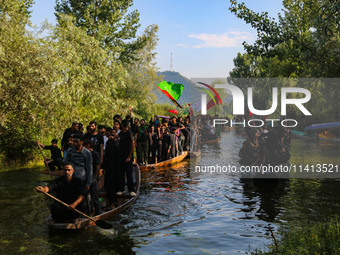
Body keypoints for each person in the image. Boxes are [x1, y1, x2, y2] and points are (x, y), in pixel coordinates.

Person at [103, 129, 121, 208]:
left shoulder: (118, 143)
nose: (111, 135)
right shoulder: (107, 143)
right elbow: (106, 155)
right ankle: (110, 200)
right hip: (108, 166)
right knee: (108, 184)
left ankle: (114, 201)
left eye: (113, 133)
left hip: (116, 166)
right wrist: (104, 166)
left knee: (115, 184)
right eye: (110, 133)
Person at [83, 139, 102, 215]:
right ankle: (87, 213)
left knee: (95, 198)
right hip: (85, 178)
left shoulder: (95, 154)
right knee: (85, 198)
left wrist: (96, 176)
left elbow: (98, 166)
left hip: (93, 178)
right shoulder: (84, 154)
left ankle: (98, 214)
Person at [119, 119, 136, 196]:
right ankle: (121, 189)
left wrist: (129, 156)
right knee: (121, 173)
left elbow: (133, 145)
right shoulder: (122, 133)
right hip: (121, 156)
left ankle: (131, 190)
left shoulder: (130, 133)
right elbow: (117, 137)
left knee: (129, 173)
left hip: (128, 156)